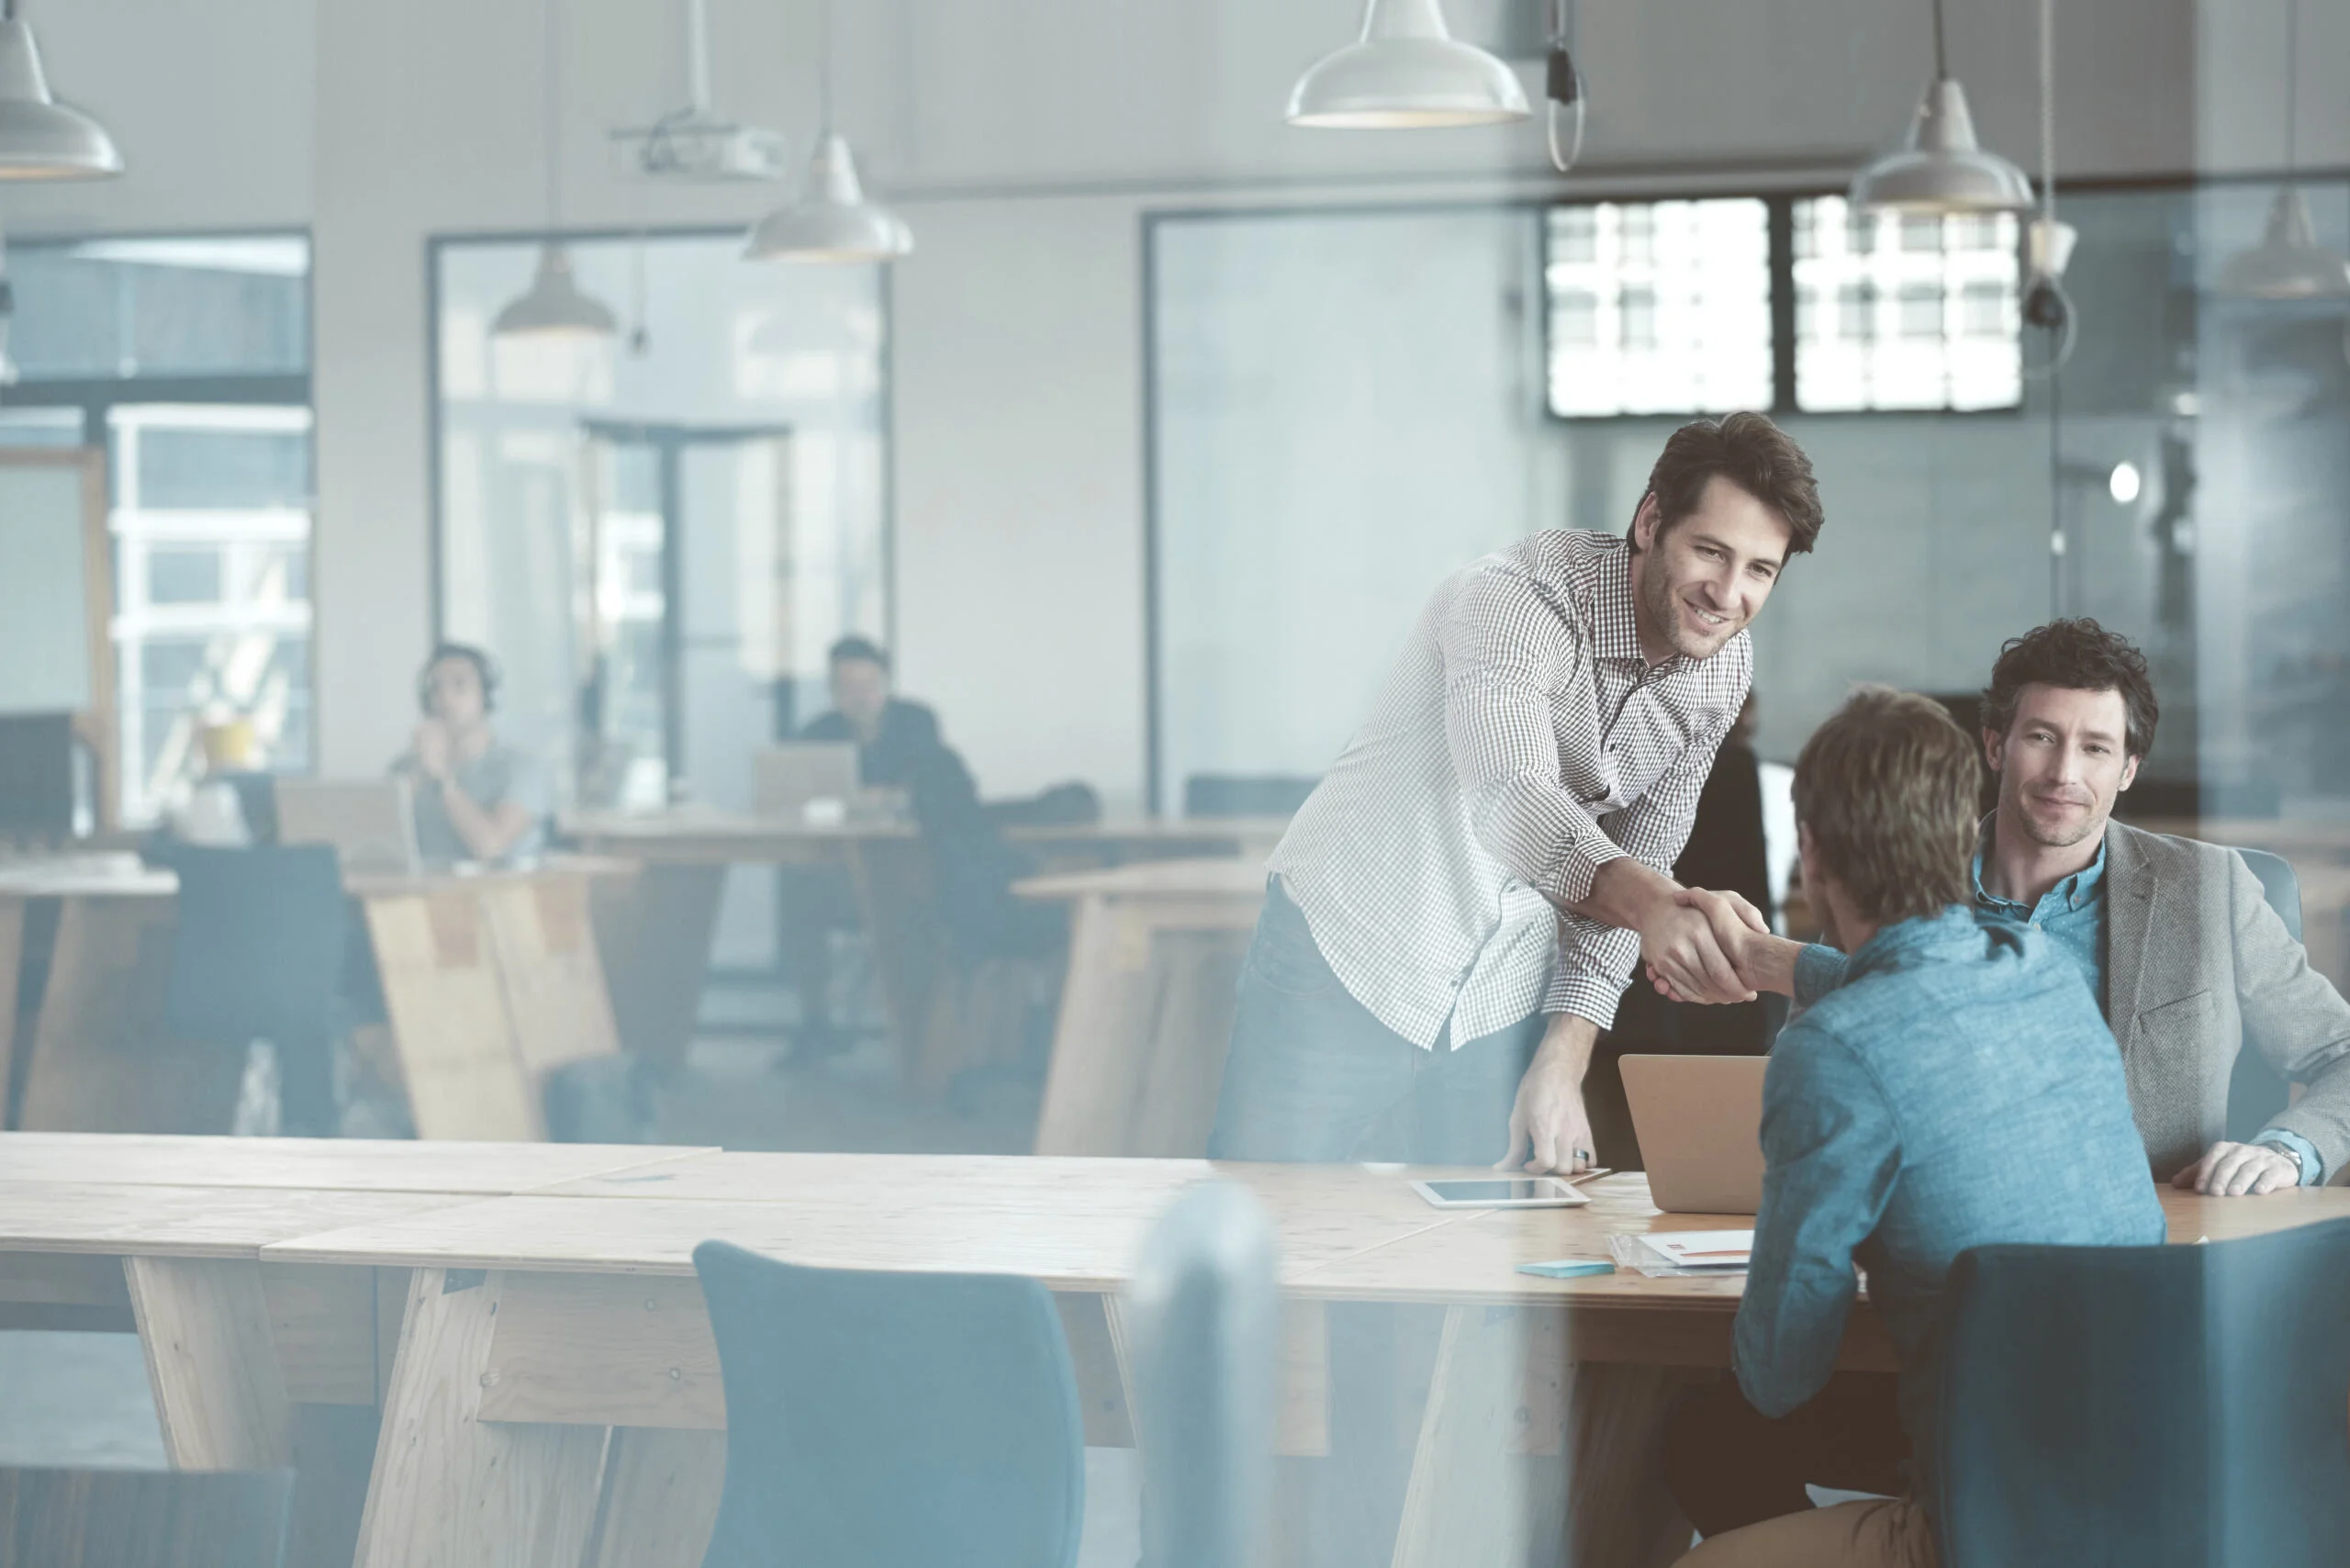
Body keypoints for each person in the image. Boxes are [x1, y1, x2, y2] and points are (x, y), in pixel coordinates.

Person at [1660, 619, 2350, 1540]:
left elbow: (1890, 1003)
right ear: (1992, 747)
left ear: (2128, 767)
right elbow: (1895, 998)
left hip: (2123, 1321)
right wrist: (1773, 960)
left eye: (2095, 746)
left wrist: (2291, 1146)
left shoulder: (2206, 894)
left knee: (1716, 1424)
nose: (2066, 770)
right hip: (2039, 1358)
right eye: (2040, 736)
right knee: (1720, 1422)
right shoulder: (1946, 898)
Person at [1206, 413, 1824, 1169]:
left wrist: (1564, 1058)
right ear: (1650, 520)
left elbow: (1641, 864)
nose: (1727, 593)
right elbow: (1511, 798)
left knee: (1463, 1255)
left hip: (1497, 996)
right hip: (1352, 954)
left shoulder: (1721, 672)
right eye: (1710, 551)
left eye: (1760, 569)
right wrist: (1657, 905)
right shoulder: (1513, 600)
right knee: (1259, 1222)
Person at [1672, 687, 2165, 1568]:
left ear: (1811, 853)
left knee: (1700, 1491)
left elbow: (1783, 1370)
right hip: (2155, 1477)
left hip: (2004, 1521)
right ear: (1960, 835)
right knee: (1712, 1445)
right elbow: (1917, 977)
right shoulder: (2036, 967)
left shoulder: (1835, 1051)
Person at [392, 643, 548, 865]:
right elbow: (376, 843)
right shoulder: (405, 768)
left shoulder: (522, 769)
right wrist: (416, 774)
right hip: (418, 892)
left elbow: (490, 847)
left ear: (487, 696)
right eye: (435, 688)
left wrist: (442, 779)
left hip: (494, 893)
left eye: (459, 685)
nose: (445, 698)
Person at [798, 635, 946, 790]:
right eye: (849, 688)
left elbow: (928, 786)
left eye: (868, 686)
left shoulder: (917, 722)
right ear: (832, 690)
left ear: (886, 684)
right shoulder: (816, 733)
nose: (860, 697)